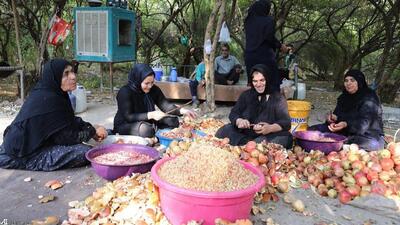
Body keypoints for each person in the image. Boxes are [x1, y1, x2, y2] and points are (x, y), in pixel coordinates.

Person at [0, 59, 108, 171]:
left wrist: (88, 127)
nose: (73, 76)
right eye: (66, 74)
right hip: (22, 154)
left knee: (94, 139)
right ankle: (29, 164)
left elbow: (68, 120)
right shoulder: (49, 100)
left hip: (32, 143)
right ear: (55, 77)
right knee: (86, 152)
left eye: (72, 71)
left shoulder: (54, 93)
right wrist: (92, 132)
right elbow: (67, 138)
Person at [215, 64, 293, 148]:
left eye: (262, 80)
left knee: (286, 137)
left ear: (267, 79)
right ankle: (251, 146)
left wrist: (269, 128)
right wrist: (240, 121)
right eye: (255, 81)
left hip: (266, 137)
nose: (258, 84)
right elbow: (234, 113)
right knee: (227, 129)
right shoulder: (246, 95)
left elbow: (286, 123)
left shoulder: (278, 98)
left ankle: (250, 146)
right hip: (245, 135)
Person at [309, 69, 384, 151]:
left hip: (366, 134)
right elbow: (337, 117)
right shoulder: (343, 97)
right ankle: (340, 145)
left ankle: (339, 144)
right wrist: (331, 119)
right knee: (313, 130)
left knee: (373, 144)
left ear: (359, 81)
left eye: (352, 80)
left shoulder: (370, 98)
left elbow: (363, 125)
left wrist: (345, 124)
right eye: (346, 80)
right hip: (344, 132)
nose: (348, 83)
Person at [113, 64, 197, 137]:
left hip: (146, 120)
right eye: (146, 83)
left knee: (173, 121)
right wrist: (151, 115)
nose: (150, 86)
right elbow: (129, 116)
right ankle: (152, 134)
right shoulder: (125, 92)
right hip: (126, 123)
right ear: (138, 80)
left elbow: (166, 106)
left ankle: (153, 135)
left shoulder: (154, 89)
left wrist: (183, 110)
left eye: (152, 82)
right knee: (146, 130)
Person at [244, 0, 287, 91]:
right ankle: (273, 103)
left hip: (250, 56)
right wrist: (280, 46)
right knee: (273, 81)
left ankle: (254, 104)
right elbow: (269, 38)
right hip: (264, 56)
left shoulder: (248, 21)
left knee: (254, 83)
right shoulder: (269, 21)